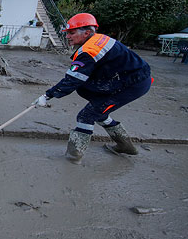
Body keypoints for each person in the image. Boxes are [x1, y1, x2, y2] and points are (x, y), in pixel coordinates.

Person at [33, 13, 152, 164]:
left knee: (87, 115)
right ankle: (126, 146)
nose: (68, 37)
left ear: (87, 33)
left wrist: (47, 96)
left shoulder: (89, 51)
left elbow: (72, 80)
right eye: (67, 33)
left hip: (132, 84)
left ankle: (73, 158)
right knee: (94, 104)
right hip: (126, 79)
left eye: (72, 33)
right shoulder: (97, 40)